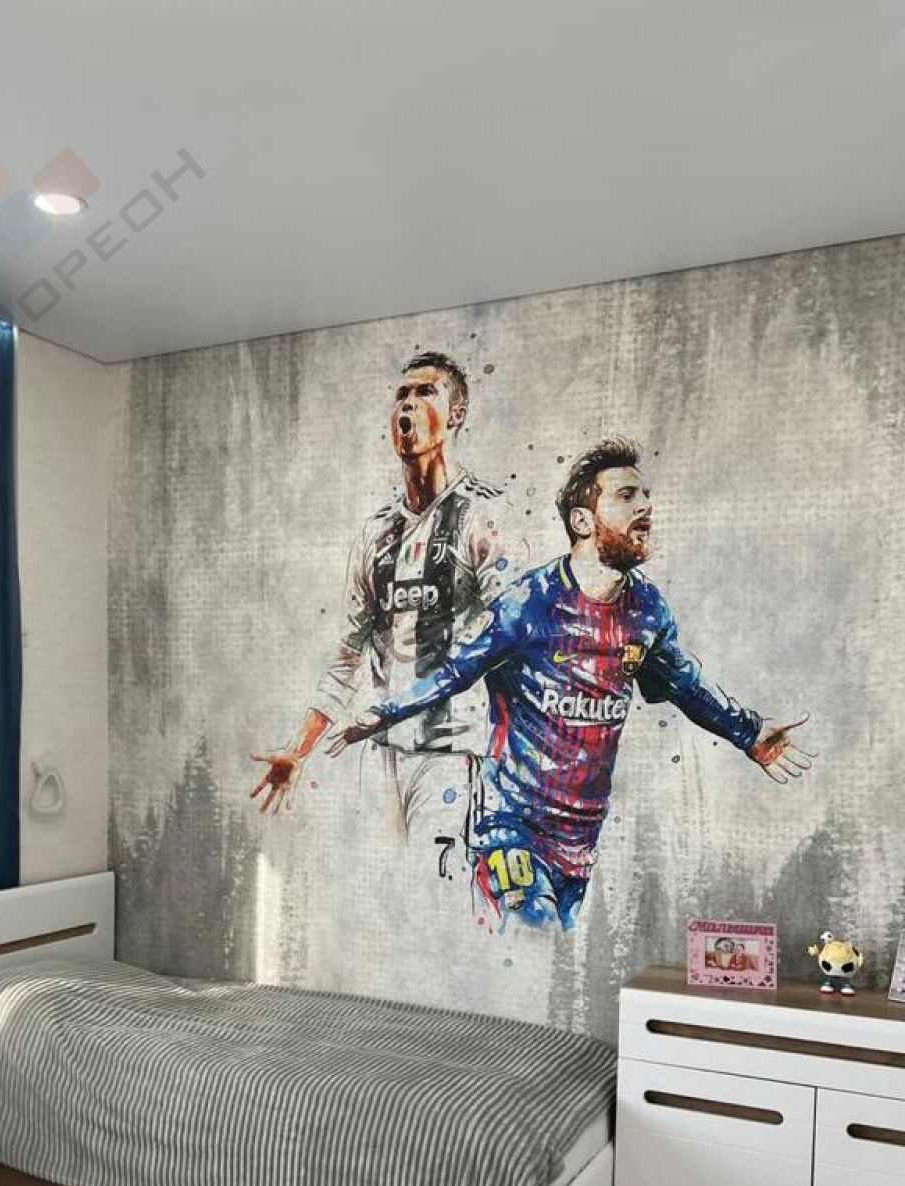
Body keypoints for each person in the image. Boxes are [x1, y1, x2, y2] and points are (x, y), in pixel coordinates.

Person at [327, 438, 813, 929]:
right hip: (512, 827)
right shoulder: (529, 603)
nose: (646, 506)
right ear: (583, 521)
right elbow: (456, 670)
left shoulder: (646, 611)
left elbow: (685, 685)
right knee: (532, 928)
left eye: (646, 495)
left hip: (580, 840)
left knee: (557, 939)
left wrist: (749, 733)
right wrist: (382, 713)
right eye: (626, 495)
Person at [250, 351, 520, 845]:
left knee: (431, 885)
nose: (408, 406)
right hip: (379, 754)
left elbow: (512, 644)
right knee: (374, 881)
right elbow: (348, 657)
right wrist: (297, 750)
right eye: (401, 396)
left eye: (425, 393)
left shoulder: (485, 516)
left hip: (451, 755)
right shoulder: (376, 534)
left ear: (456, 414)